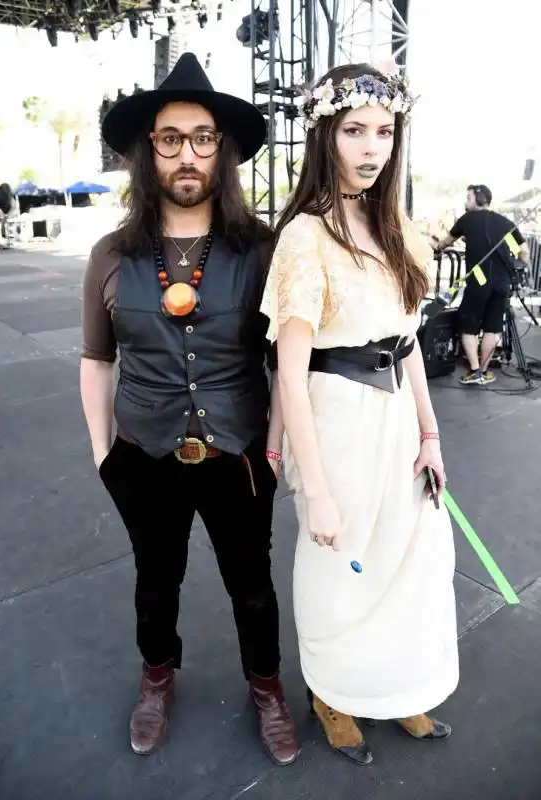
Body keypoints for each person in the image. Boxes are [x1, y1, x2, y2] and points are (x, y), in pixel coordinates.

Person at [80, 52, 298, 765]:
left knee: (252, 586)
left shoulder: (261, 249)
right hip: (143, 452)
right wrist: (100, 450)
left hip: (240, 453)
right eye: (169, 138)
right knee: (154, 580)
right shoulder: (111, 253)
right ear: (149, 151)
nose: (187, 153)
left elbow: (282, 362)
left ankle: (265, 688)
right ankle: (156, 678)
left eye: (202, 137)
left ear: (222, 151)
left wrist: (274, 447)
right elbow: (95, 359)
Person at [260, 62, 459, 766]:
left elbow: (405, 344)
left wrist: (431, 436)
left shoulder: (398, 227)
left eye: (383, 130)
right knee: (338, 566)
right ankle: (333, 694)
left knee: (408, 565)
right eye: (353, 131)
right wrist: (313, 487)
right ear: (324, 135)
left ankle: (395, 687)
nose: (370, 147)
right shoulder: (303, 237)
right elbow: (288, 372)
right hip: (333, 416)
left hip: (398, 417)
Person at [435, 184, 530, 384]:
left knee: (468, 326)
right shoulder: (505, 222)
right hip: (502, 283)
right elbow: (524, 251)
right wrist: (519, 266)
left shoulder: (467, 220)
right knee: (493, 328)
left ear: (479, 199)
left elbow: (446, 242)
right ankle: (485, 372)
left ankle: (476, 371)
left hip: (479, 282)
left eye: (468, 198)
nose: (465, 202)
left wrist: (436, 247)